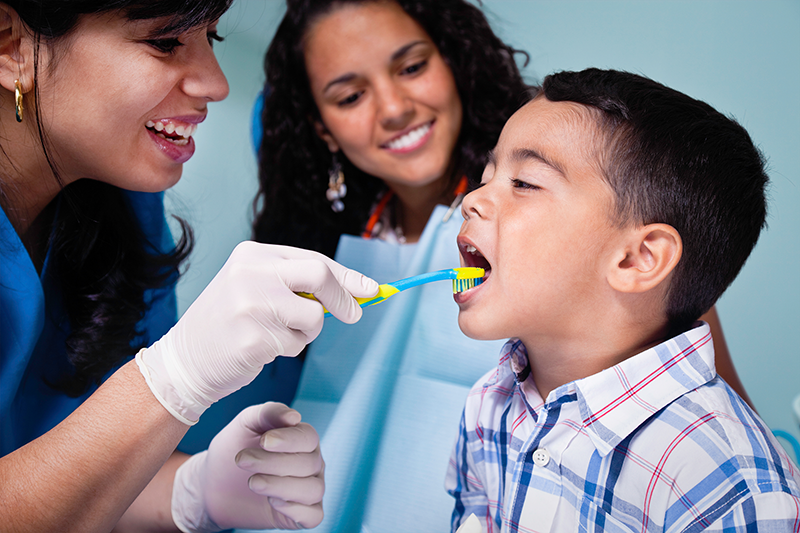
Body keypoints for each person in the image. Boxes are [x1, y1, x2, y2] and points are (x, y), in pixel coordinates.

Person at [230, 1, 754, 531]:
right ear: (323, 129)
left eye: (411, 67)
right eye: (350, 96)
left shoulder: (608, 224)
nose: (392, 108)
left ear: (454, 61)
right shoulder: (320, 246)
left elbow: (712, 422)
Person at [0, 1, 380, 531]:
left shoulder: (122, 210)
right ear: (12, 47)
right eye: (166, 41)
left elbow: (73, 470)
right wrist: (174, 379)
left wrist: (191, 489)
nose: (216, 84)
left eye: (213, 39)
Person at [446, 68, 800, 532]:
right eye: (488, 176)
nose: (473, 199)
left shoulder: (725, 485)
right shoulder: (489, 403)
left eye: (525, 183)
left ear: (637, 259)